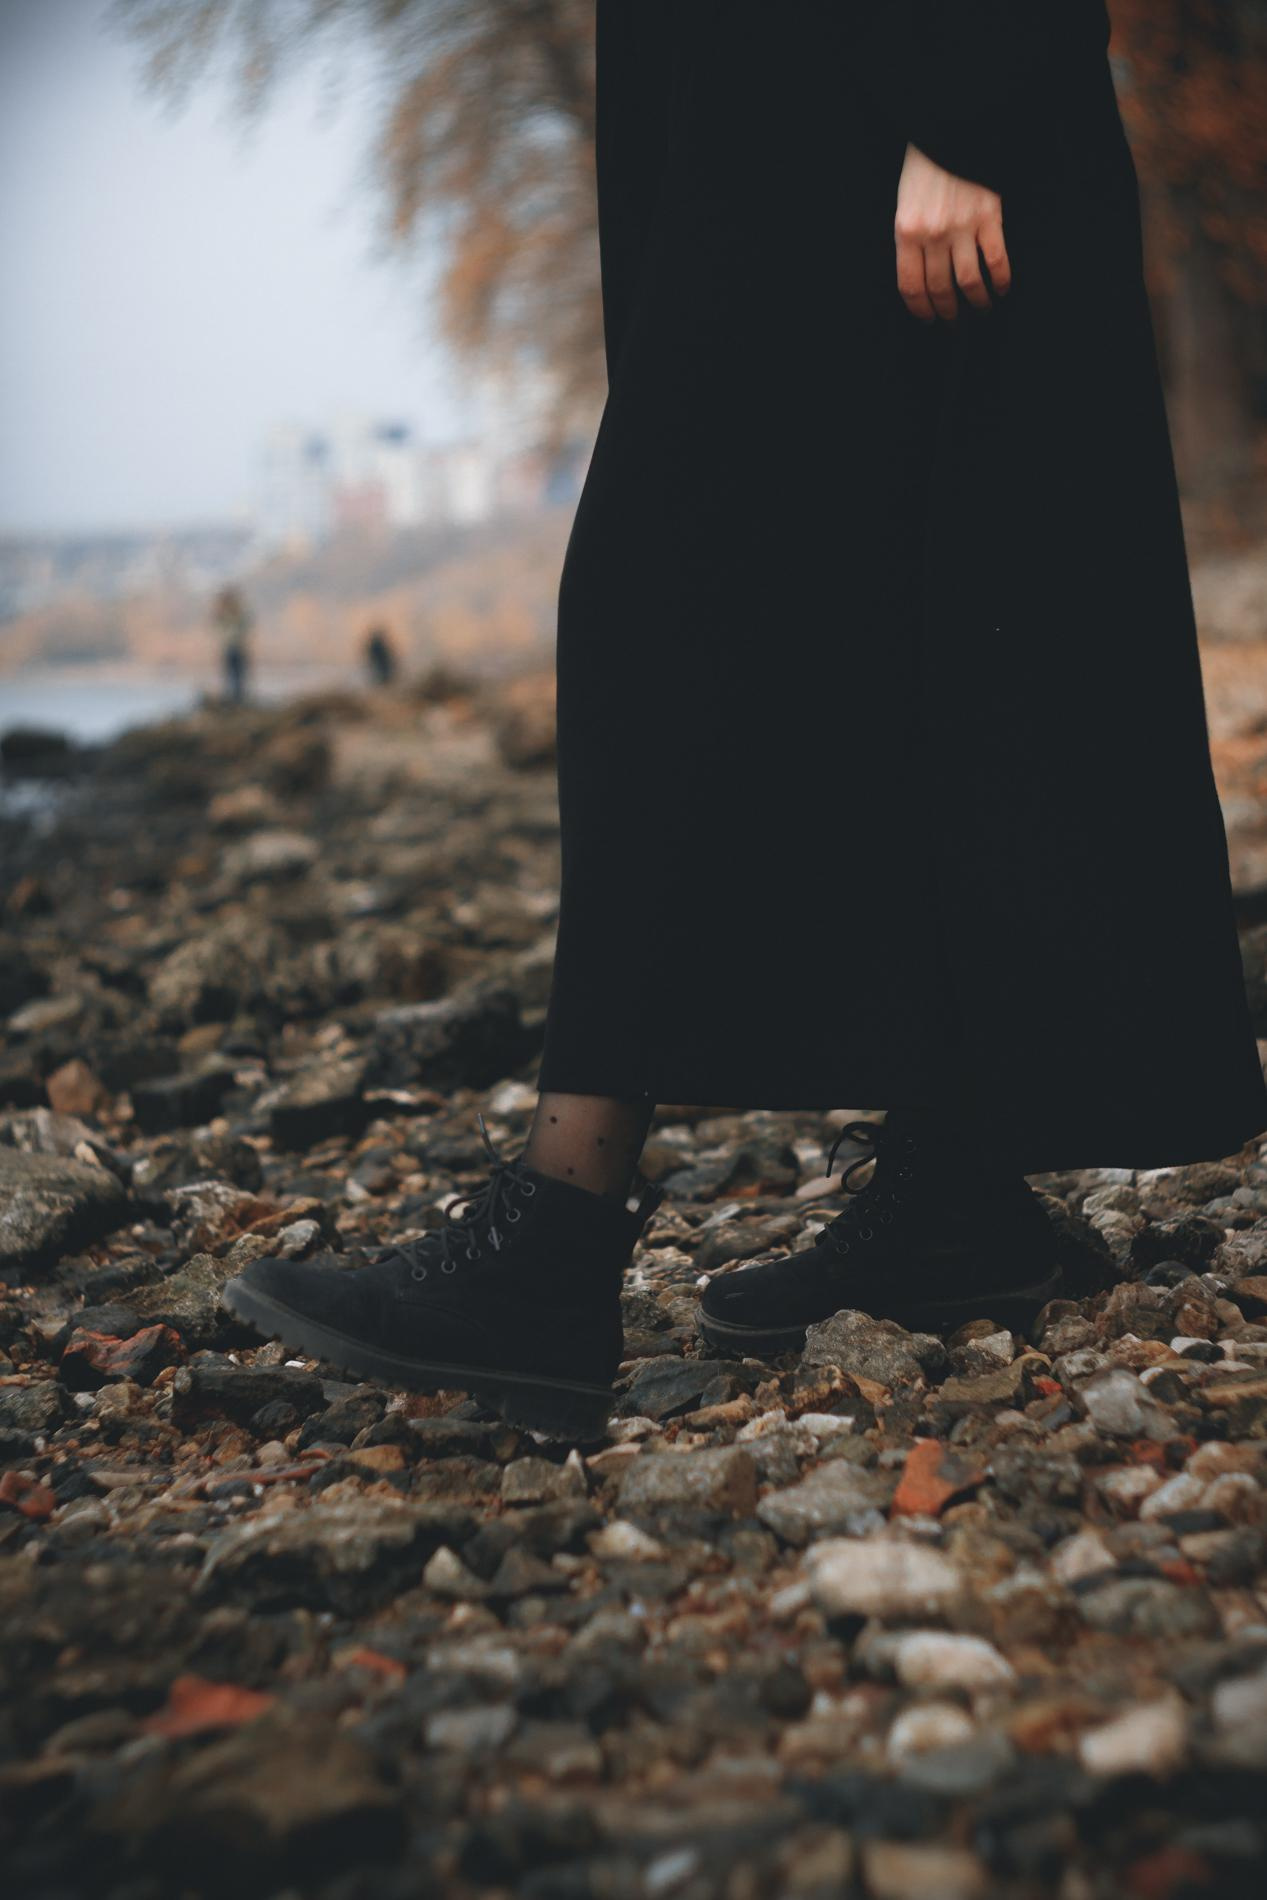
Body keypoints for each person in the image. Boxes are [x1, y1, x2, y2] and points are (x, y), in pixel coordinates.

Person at [225, 2, 1267, 1437]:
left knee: (661, 622)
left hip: (877, 104)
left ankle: (557, 1232)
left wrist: (967, 94)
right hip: (793, 110)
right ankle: (952, 1191)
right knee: (918, 625)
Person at [212, 584, 253, 706]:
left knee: (237, 675)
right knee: (232, 675)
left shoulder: (237, 615)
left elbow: (244, 627)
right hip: (231, 648)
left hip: (236, 648)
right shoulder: (225, 615)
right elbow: (218, 627)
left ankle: (237, 699)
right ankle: (233, 699)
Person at [364, 624, 398, 689]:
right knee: (380, 672)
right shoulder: (376, 644)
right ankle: (384, 683)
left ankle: (384, 683)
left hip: (381, 663)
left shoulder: (377, 644)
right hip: (379, 663)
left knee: (381, 672)